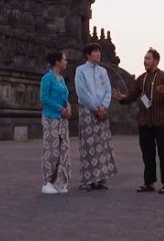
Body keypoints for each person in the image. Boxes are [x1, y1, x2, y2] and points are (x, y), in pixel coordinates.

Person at [115, 47, 164, 194]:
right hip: (145, 121)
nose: (145, 61)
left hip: (161, 121)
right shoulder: (141, 79)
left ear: (156, 61)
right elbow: (132, 95)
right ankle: (148, 183)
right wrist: (122, 98)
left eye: (148, 58)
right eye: (144, 58)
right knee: (147, 153)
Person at [74, 42, 118, 191]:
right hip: (88, 110)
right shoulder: (80, 70)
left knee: (101, 145)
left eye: (99, 51)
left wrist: (104, 107)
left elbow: (108, 90)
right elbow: (81, 91)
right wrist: (95, 107)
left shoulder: (103, 71)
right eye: (95, 51)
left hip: (102, 111)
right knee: (88, 145)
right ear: (88, 55)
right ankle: (87, 180)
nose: (98, 54)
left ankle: (99, 179)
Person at [39, 50, 72, 194]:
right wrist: (60, 109)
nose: (66, 62)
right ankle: (47, 182)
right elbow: (44, 98)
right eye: (64, 59)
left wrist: (68, 108)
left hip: (62, 119)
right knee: (51, 150)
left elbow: (65, 97)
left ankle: (60, 181)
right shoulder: (47, 78)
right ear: (57, 62)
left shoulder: (61, 79)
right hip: (51, 117)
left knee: (63, 149)